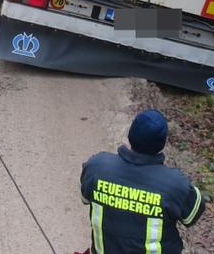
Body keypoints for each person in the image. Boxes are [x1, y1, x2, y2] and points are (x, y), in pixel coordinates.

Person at [79, 109, 207, 254]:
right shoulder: (175, 185)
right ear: (162, 143)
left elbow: (85, 198)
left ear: (131, 134)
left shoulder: (97, 167)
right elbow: (192, 215)